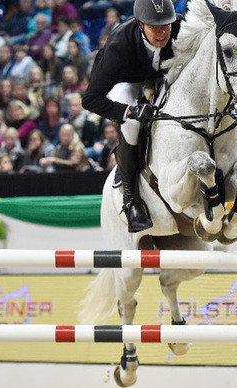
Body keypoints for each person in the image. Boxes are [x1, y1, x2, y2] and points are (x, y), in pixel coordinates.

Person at [82, 0, 182, 232]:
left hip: (163, 77)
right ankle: (131, 199)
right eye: (154, 27)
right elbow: (90, 99)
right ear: (140, 24)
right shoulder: (119, 46)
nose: (162, 32)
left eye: (166, 25)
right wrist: (130, 110)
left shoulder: (179, 27)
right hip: (125, 82)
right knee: (133, 125)